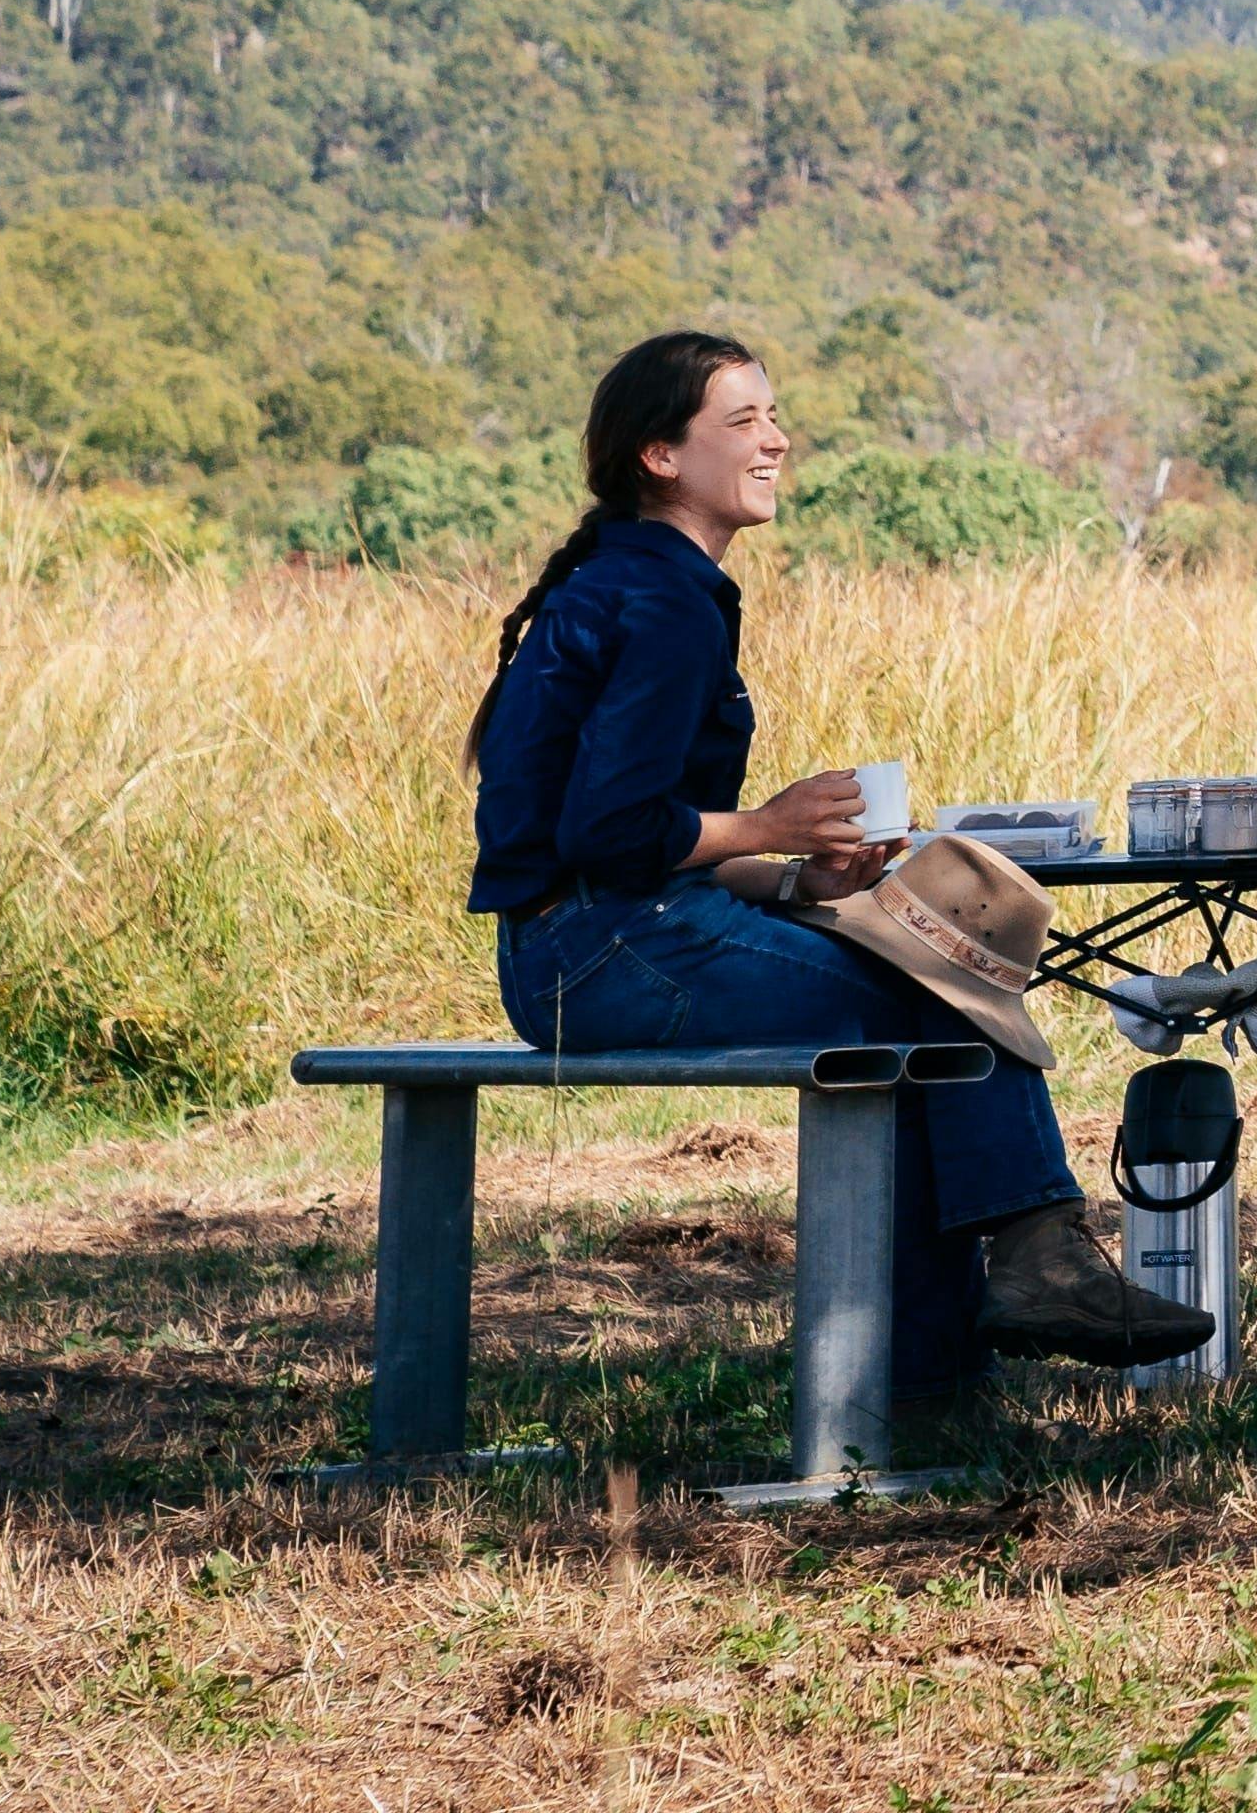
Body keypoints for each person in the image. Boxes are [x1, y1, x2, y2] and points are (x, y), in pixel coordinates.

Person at [464, 329, 1209, 1399]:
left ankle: (935, 1384)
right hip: (600, 951)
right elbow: (610, 837)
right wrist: (769, 824)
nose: (775, 440)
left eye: (773, 417)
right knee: (932, 992)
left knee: (914, 1031)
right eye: (743, 422)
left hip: (596, 939)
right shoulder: (666, 599)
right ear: (659, 457)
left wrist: (793, 877)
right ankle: (1029, 1272)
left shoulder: (644, 583)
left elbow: (635, 840)